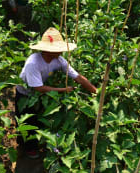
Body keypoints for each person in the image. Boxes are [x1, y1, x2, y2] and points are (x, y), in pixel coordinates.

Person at [15, 27, 97, 158]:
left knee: (38, 118)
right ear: (47, 50)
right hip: (25, 94)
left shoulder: (59, 60)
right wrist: (63, 90)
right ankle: (27, 147)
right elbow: (39, 88)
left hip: (41, 94)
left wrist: (95, 91)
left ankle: (35, 142)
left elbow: (78, 77)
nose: (60, 51)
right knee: (26, 120)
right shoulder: (33, 62)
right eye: (57, 49)